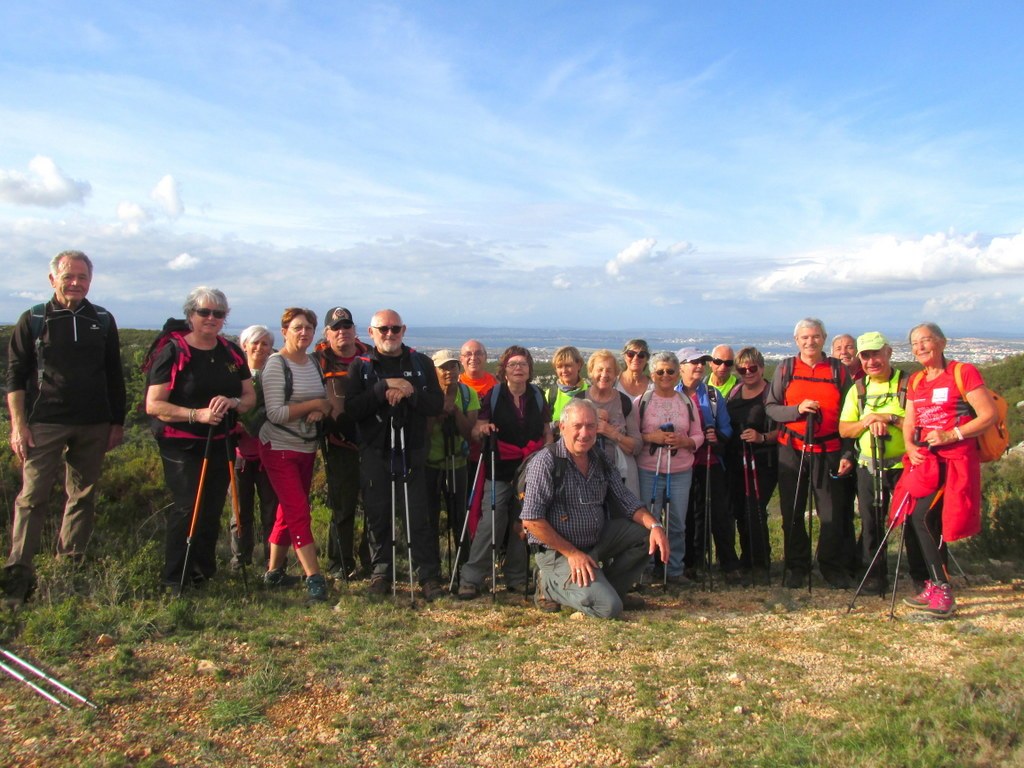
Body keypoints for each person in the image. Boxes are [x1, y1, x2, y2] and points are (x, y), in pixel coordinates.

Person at [3, 250, 127, 607]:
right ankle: (17, 576)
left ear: (91, 280)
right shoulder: (34, 319)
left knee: (82, 496)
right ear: (52, 279)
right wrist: (18, 424)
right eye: (69, 276)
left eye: (83, 277)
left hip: (93, 422)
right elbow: (15, 375)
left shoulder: (101, 320)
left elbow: (114, 375)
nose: (76, 283)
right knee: (32, 497)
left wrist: (116, 422)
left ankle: (70, 567)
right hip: (45, 421)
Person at [145, 287, 255, 591]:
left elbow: (249, 397)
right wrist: (197, 415)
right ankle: (175, 577)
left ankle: (202, 573)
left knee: (212, 507)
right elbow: (154, 405)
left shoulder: (231, 352)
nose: (211, 318)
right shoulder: (174, 351)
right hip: (182, 443)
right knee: (187, 506)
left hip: (221, 440)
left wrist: (233, 403)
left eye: (218, 314)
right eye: (204, 312)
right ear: (190, 315)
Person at [521, 398, 670, 618]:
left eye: (590, 426)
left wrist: (656, 525)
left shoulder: (599, 458)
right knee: (608, 608)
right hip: (559, 552)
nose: (585, 433)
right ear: (562, 427)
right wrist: (572, 553)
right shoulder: (546, 462)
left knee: (647, 533)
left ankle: (609, 588)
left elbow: (626, 500)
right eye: (577, 426)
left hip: (595, 541)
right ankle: (548, 585)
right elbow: (531, 520)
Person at [343, 309, 446, 601]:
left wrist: (409, 391)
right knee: (378, 513)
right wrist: (383, 387)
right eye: (383, 329)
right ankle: (381, 573)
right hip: (375, 450)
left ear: (404, 330)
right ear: (371, 332)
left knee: (418, 514)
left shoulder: (420, 362)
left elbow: (435, 404)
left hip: (412, 449)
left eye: (395, 329)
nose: (390, 334)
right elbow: (353, 409)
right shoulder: (361, 366)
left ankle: (428, 575)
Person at [900, 323, 996, 617]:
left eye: (926, 341)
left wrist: (950, 434)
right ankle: (936, 584)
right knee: (921, 518)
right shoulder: (917, 380)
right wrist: (910, 446)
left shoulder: (962, 372)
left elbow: (988, 415)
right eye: (915, 344)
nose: (920, 348)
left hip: (955, 460)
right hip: (927, 461)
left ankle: (941, 589)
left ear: (941, 342)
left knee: (924, 518)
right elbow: (910, 420)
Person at [766, 318, 855, 589]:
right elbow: (771, 407)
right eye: (805, 338)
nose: (810, 342)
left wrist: (848, 453)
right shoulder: (787, 368)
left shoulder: (839, 371)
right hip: (792, 448)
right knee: (792, 511)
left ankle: (830, 566)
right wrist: (796, 411)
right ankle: (797, 566)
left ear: (824, 338)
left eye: (815, 336)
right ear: (796, 341)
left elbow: (851, 415)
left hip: (829, 449)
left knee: (831, 514)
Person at [458, 346, 550, 599]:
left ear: (530, 369)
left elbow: (546, 430)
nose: (518, 368)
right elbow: (477, 430)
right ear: (504, 370)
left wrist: (550, 454)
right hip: (498, 468)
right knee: (492, 522)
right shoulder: (494, 395)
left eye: (523, 364)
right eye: (513, 364)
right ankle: (472, 578)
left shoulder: (538, 395)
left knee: (524, 522)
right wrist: (483, 429)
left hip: (531, 470)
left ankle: (517, 579)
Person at [259, 308, 333, 604]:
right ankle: (314, 577)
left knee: (287, 512)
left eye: (309, 328)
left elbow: (326, 401)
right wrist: (313, 404)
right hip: (278, 448)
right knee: (299, 511)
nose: (304, 333)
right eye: (297, 327)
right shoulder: (276, 364)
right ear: (285, 330)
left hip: (305, 447)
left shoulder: (313, 362)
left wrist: (320, 407)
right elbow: (275, 412)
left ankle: (274, 572)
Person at [838, 332, 915, 593]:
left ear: (889, 352)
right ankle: (873, 574)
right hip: (869, 466)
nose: (872, 361)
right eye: (866, 356)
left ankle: (923, 576)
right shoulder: (858, 390)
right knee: (871, 523)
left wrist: (890, 418)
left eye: (876, 354)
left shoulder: (907, 384)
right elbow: (845, 429)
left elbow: (920, 426)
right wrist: (867, 422)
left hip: (906, 466)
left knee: (914, 521)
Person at [313, 307, 372, 580]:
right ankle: (340, 563)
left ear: (354, 330)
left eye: (346, 326)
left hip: (373, 444)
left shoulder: (371, 357)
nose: (342, 332)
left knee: (375, 506)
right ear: (327, 333)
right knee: (342, 506)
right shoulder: (318, 361)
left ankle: (372, 561)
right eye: (336, 327)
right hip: (339, 445)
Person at [636, 351, 704, 584]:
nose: (665, 376)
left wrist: (685, 442)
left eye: (670, 371)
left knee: (677, 522)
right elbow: (633, 436)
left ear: (677, 375)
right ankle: (646, 567)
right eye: (660, 371)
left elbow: (698, 435)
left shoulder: (686, 402)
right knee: (650, 520)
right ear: (652, 374)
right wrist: (651, 437)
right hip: (648, 469)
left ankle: (674, 570)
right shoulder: (642, 402)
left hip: (680, 471)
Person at [677, 347, 740, 584]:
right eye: (694, 362)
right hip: (683, 462)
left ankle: (728, 563)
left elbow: (726, 428)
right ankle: (691, 562)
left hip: (710, 461)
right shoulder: (670, 395)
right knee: (689, 514)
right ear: (681, 366)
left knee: (720, 514)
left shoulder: (712, 395)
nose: (699, 367)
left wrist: (718, 437)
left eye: (702, 362)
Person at [725, 347, 778, 580]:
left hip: (763, 460)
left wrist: (762, 437)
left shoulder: (771, 394)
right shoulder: (735, 392)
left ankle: (761, 560)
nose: (748, 372)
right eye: (742, 369)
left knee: (754, 510)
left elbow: (783, 429)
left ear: (762, 367)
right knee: (739, 511)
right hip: (736, 460)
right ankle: (746, 558)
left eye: (752, 368)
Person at [229, 325, 279, 573]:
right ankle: (240, 562)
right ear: (244, 345)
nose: (260, 348)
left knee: (271, 510)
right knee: (239, 512)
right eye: (255, 343)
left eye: (265, 344)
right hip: (240, 455)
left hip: (268, 453)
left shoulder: (275, 375)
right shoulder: (233, 375)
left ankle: (273, 563)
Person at [425, 349, 479, 576]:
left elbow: (470, 434)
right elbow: (423, 433)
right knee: (429, 517)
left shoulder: (468, 395)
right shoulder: (426, 395)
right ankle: (431, 569)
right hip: (430, 464)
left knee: (460, 518)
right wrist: (437, 412)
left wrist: (455, 410)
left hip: (458, 463)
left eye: (453, 366)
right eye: (443, 367)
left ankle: (463, 568)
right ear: (434, 371)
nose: (449, 372)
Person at [582, 350, 642, 497]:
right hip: (585, 475)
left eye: (609, 370)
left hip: (620, 476)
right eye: (600, 370)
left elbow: (637, 446)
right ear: (590, 372)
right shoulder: (579, 400)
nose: (604, 374)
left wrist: (611, 432)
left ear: (616, 374)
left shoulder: (624, 402)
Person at [547, 345, 588, 430]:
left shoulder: (590, 392)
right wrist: (556, 424)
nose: (564, 370)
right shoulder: (550, 394)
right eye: (559, 367)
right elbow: (542, 426)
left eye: (568, 365)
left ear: (579, 365)